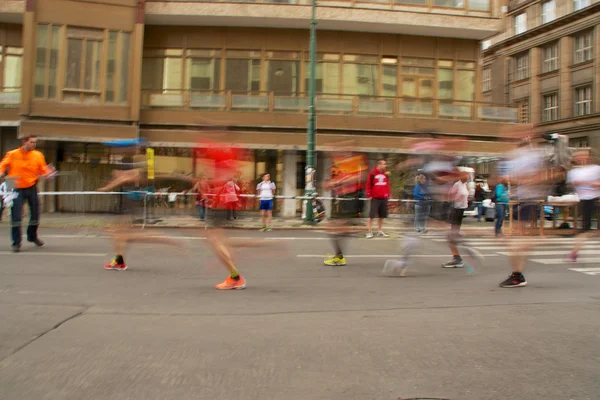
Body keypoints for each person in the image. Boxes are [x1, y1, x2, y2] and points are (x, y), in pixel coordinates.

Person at [0, 135, 56, 252]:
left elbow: (43, 169)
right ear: (24, 142)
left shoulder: (38, 155)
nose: (33, 144)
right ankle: (16, 243)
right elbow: (3, 165)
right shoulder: (12, 154)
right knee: (16, 216)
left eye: (35, 142)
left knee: (35, 213)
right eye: (31, 142)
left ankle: (32, 236)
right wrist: (1, 173)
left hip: (31, 185)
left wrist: (49, 173)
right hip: (13, 185)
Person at [566, 150, 600, 262]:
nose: (581, 159)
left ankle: (574, 252)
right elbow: (571, 184)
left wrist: (592, 184)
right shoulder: (573, 172)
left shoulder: (596, 169)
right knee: (585, 229)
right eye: (578, 156)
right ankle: (574, 253)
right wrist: (575, 184)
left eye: (584, 156)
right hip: (584, 200)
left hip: (597, 198)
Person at [442, 171, 469, 268]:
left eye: (468, 176)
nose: (467, 177)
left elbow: (466, 197)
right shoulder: (456, 185)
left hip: (461, 210)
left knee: (453, 234)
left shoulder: (465, 185)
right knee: (452, 233)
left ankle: (457, 257)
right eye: (465, 175)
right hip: (455, 209)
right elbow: (450, 196)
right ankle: (456, 257)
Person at [366, 158, 390, 238]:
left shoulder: (385, 174)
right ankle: (369, 232)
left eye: (385, 164)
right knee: (371, 216)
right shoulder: (372, 173)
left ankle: (380, 231)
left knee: (381, 216)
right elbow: (368, 185)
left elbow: (387, 185)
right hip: (375, 198)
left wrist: (388, 195)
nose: (385, 165)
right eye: (383, 164)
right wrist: (369, 195)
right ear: (379, 165)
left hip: (384, 198)